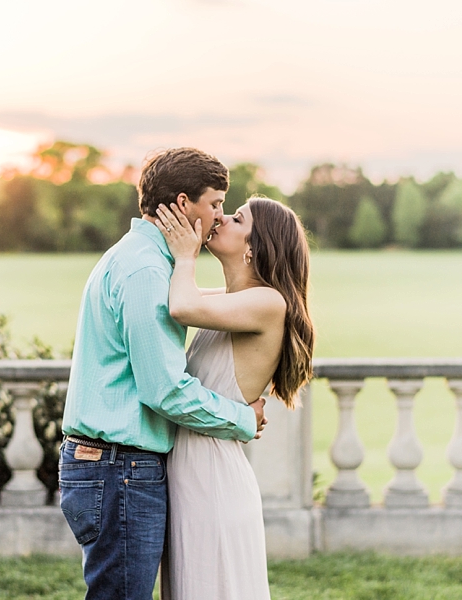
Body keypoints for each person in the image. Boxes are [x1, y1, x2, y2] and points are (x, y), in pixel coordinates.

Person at [59, 148, 268, 600]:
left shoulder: (143, 260)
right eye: (214, 203)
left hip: (114, 468)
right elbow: (165, 390)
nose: (219, 215)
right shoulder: (147, 271)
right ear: (180, 204)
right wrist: (243, 419)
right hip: (119, 470)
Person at [153, 196, 315, 600]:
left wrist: (185, 254)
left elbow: (180, 305)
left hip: (212, 481)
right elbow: (166, 296)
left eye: (236, 217)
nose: (221, 218)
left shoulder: (268, 302)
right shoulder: (231, 300)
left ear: (253, 246)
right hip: (192, 472)